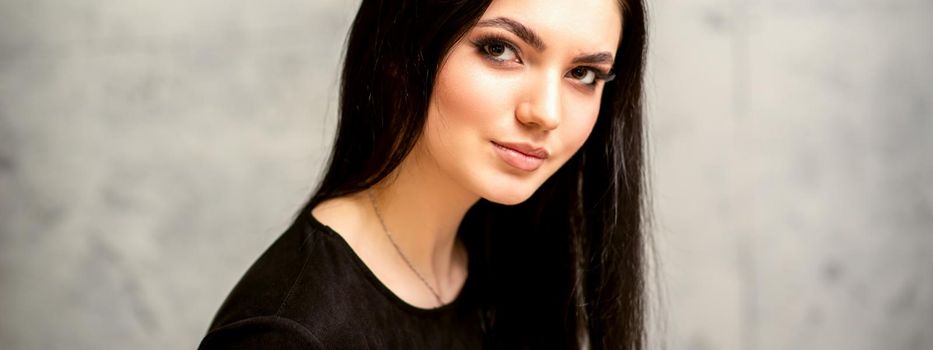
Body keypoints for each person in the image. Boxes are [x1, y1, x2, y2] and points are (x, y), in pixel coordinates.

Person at [198, 0, 649, 348]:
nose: (546, 113)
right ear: (401, 48)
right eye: (500, 49)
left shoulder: (515, 256)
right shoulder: (289, 335)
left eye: (584, 73)